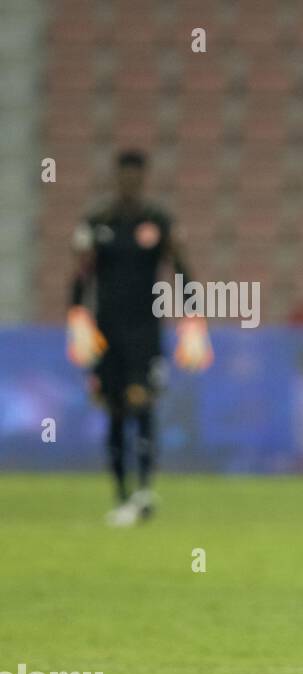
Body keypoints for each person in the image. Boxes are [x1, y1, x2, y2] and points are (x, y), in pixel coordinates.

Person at [66, 149, 212, 525]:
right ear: (117, 178)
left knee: (142, 402)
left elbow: (180, 269)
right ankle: (121, 495)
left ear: (142, 179)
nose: (129, 183)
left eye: (135, 177)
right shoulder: (98, 221)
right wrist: (77, 317)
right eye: (124, 176)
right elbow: (82, 275)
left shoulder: (158, 221)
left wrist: (194, 318)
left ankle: (145, 489)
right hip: (106, 329)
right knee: (113, 410)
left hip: (145, 329)